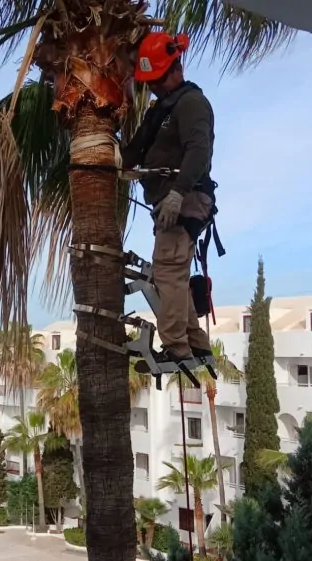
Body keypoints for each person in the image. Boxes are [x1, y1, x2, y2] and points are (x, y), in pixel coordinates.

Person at [120, 31, 215, 363]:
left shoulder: (191, 103)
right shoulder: (160, 110)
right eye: (151, 82)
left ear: (176, 67)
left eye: (158, 79)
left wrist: (176, 194)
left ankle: (175, 348)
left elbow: (199, 152)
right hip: (171, 200)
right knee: (173, 273)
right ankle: (196, 343)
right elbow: (133, 152)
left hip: (186, 199)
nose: (155, 87)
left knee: (168, 272)